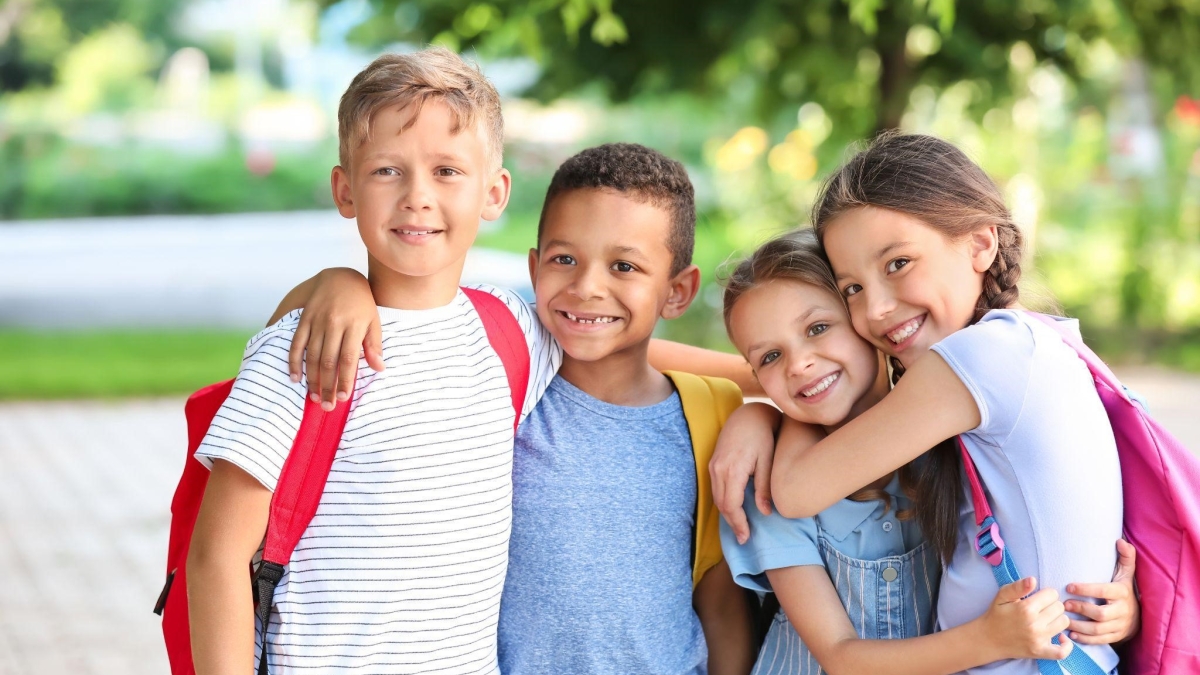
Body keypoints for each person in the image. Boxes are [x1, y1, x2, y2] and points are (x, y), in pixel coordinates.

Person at [267, 144, 759, 674]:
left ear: (678, 291)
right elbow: (370, 323)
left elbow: (720, 596)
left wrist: (764, 400)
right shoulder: (495, 383)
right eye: (564, 259)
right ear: (535, 264)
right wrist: (337, 282)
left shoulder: (712, 414)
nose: (587, 286)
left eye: (624, 266)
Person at [185, 47, 564, 675]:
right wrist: (329, 281)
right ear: (345, 189)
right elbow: (216, 559)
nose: (417, 196)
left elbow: (619, 346)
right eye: (388, 170)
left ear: (494, 193)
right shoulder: (307, 346)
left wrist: (757, 379)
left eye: (447, 171)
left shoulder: (510, 332)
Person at [710, 133, 1140, 675]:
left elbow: (795, 489)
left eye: (898, 264)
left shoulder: (980, 359)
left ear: (982, 244)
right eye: (852, 289)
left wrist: (771, 415)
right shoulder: (1028, 346)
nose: (879, 308)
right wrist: (762, 408)